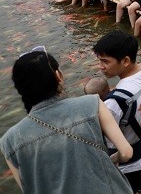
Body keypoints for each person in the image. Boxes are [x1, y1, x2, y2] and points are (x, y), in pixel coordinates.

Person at [0, 47, 133, 194]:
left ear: (19, 89)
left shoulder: (9, 141)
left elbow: (28, 188)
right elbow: (126, 152)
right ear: (59, 75)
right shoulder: (92, 103)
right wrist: (110, 160)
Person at [94, 30, 141, 194]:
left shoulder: (115, 101)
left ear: (125, 60)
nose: (101, 67)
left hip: (133, 163)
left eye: (105, 61)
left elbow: (103, 135)